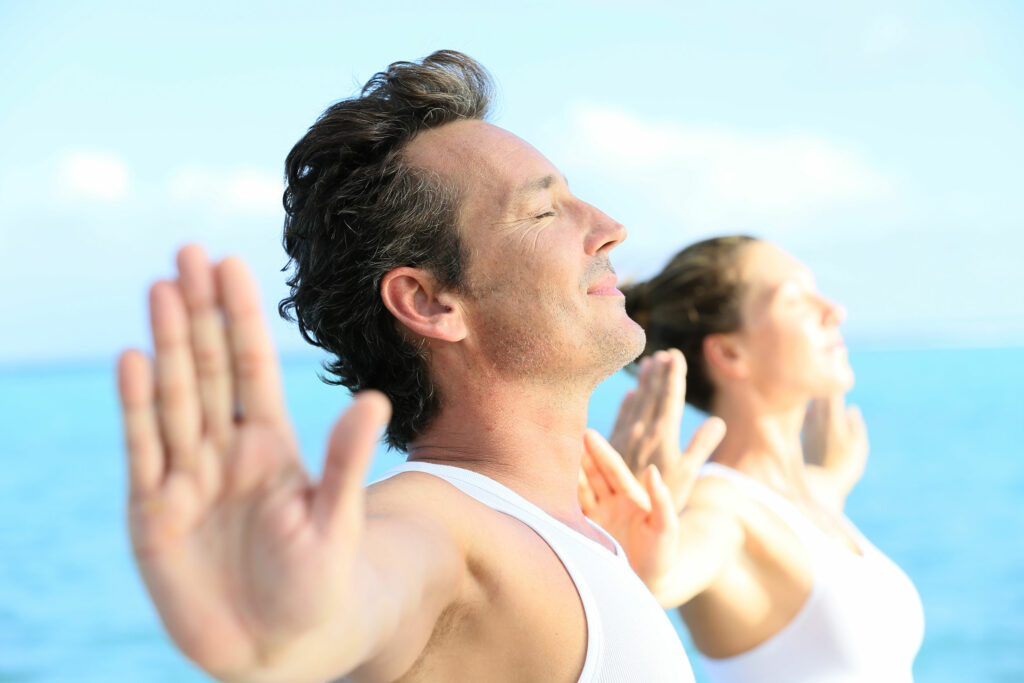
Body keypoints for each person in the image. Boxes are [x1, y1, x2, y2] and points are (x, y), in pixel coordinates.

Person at [116, 50, 713, 683]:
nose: (610, 228)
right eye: (542, 211)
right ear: (429, 301)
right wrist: (295, 625)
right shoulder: (435, 526)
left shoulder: (563, 537)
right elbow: (372, 585)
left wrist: (624, 580)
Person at [578, 236, 924, 682]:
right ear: (728, 353)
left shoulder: (809, 496)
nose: (833, 311)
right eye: (796, 301)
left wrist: (831, 476)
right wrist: (643, 563)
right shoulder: (719, 508)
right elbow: (675, 568)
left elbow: (800, 519)